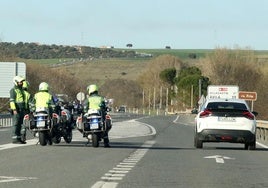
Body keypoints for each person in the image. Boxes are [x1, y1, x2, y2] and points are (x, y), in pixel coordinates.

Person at [9, 75, 27, 144]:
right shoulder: (13, 90)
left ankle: (19, 138)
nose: (21, 83)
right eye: (20, 82)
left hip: (22, 110)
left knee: (20, 124)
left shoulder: (21, 90)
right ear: (16, 82)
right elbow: (12, 101)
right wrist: (14, 109)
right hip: (17, 110)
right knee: (16, 124)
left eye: (22, 82)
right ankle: (15, 139)